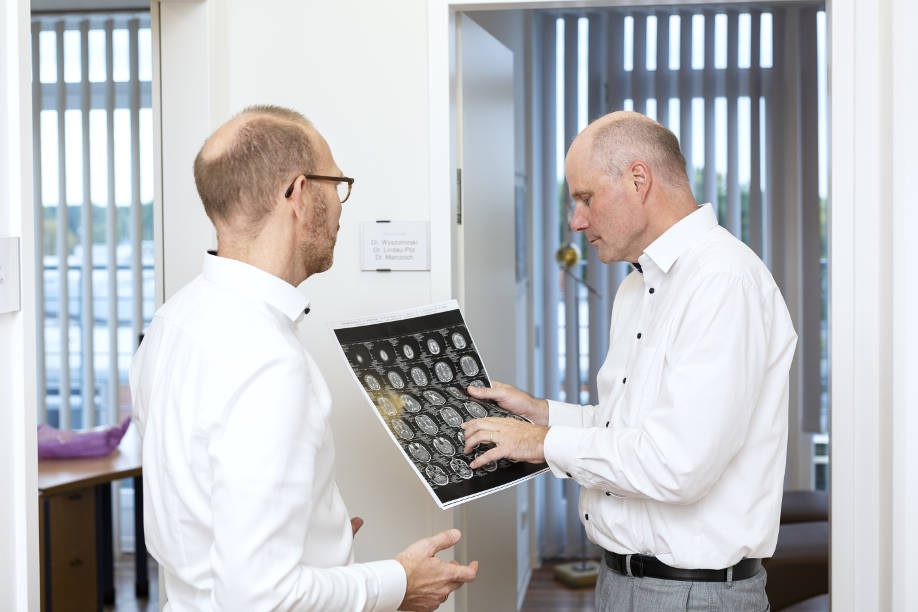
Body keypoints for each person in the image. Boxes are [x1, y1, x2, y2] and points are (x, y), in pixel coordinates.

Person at [130, 105, 477, 611]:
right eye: (336, 185)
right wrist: (399, 583)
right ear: (298, 193)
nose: (339, 205)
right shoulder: (268, 361)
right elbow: (261, 599)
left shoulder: (172, 321)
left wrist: (319, 537)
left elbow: (206, 512)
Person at [462, 110, 796, 611]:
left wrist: (541, 443)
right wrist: (543, 415)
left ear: (639, 180)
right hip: (622, 582)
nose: (576, 221)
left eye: (585, 198)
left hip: (691, 596)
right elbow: (632, 430)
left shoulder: (722, 282)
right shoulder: (637, 287)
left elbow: (677, 465)